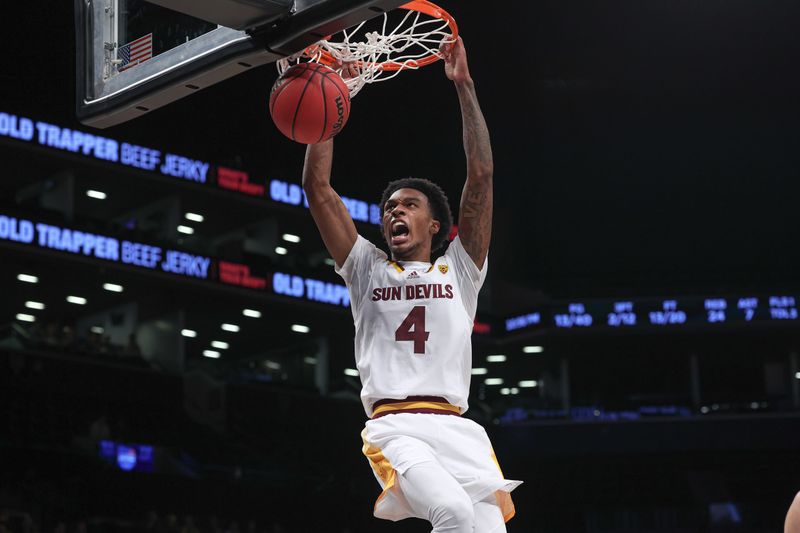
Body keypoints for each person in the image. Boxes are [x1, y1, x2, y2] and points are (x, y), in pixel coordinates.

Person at [302, 37, 521, 533]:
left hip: (457, 428)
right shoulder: (366, 268)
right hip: (397, 426)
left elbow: (481, 176)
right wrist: (331, 99)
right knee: (453, 513)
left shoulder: (460, 271)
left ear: (435, 226)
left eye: (408, 205)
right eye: (389, 208)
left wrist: (464, 85)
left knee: (487, 528)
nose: (394, 211)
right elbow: (319, 189)